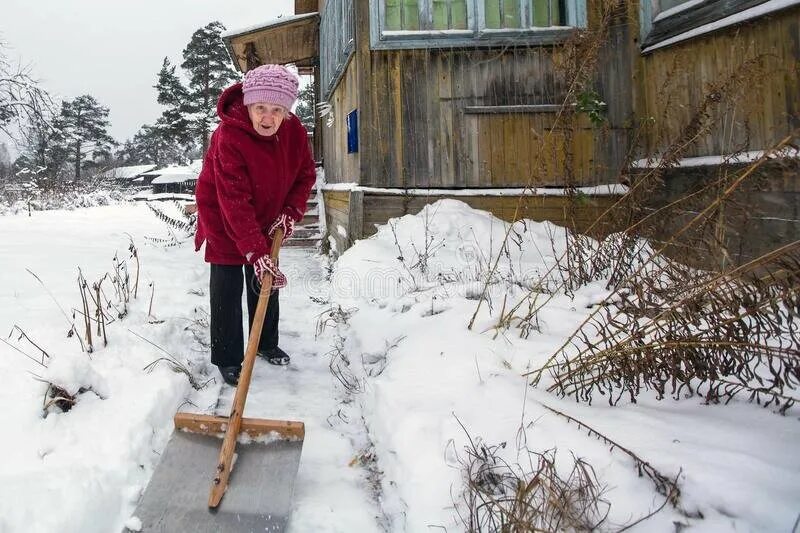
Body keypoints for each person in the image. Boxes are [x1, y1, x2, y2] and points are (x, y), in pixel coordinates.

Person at [193, 64, 316, 386]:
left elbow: (305, 176)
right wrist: (253, 249)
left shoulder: (294, 133)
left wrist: (290, 211)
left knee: (265, 281)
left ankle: (264, 342)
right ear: (248, 104)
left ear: (287, 111)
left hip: (268, 216)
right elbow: (233, 199)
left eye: (277, 110)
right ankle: (228, 356)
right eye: (260, 108)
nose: (267, 117)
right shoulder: (228, 136)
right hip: (223, 216)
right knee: (228, 287)